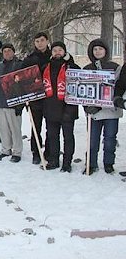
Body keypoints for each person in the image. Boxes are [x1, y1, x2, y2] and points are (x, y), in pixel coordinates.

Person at [83, 39, 123, 174]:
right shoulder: (87, 69)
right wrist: (86, 106)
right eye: (95, 49)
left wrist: (117, 100)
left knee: (110, 139)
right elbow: (81, 91)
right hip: (93, 111)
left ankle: (108, 163)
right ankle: (91, 164)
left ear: (105, 50)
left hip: (110, 110)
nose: (98, 51)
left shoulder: (115, 67)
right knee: (93, 140)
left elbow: (119, 87)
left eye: (100, 49)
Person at [42, 41, 79, 172]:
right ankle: (54, 160)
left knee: (68, 137)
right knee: (52, 136)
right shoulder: (46, 66)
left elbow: (79, 88)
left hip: (67, 108)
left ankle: (67, 162)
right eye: (54, 50)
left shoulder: (73, 66)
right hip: (50, 107)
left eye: (60, 50)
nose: (57, 52)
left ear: (64, 52)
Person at [21, 32, 51, 164]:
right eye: (37, 41)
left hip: (51, 98)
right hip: (35, 98)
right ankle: (36, 151)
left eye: (42, 40)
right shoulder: (29, 59)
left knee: (51, 127)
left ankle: (49, 151)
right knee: (35, 127)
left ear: (47, 41)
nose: (40, 43)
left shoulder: (53, 56)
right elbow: (22, 79)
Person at [0, 43, 23, 163]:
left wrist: (20, 104)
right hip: (0, 101)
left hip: (13, 102)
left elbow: (22, 85)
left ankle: (17, 151)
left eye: (9, 51)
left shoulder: (19, 65)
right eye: (5, 51)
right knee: (3, 128)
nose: (7, 53)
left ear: (13, 52)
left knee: (15, 129)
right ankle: (6, 149)